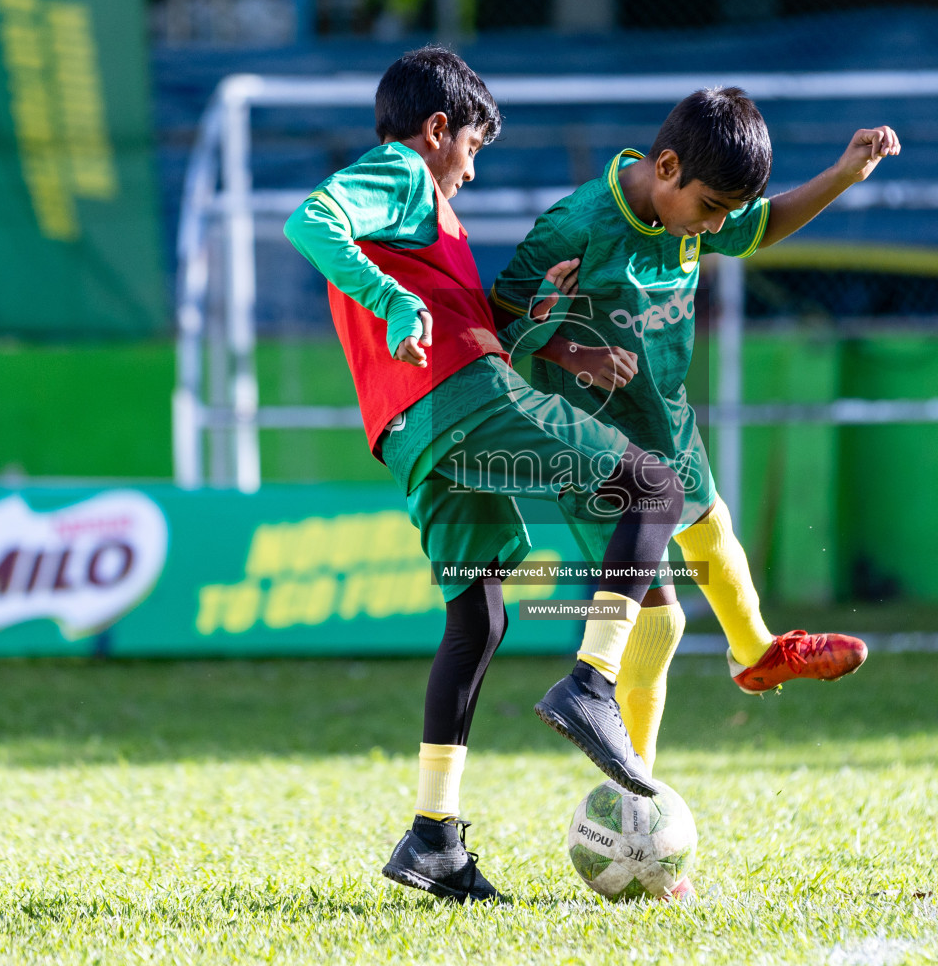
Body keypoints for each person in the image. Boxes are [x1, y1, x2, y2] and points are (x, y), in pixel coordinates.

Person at [284, 47, 686, 904]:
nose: (471, 169)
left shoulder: (432, 221)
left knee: (477, 618)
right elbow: (311, 220)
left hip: (410, 430)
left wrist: (543, 323)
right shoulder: (400, 172)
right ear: (437, 131)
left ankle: (434, 840)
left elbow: (465, 315)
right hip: (457, 399)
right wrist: (392, 304)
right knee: (654, 488)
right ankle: (592, 683)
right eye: (472, 148)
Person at [490, 87, 900, 766]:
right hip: (592, 443)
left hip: (666, 422)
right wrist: (571, 351)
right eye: (711, 211)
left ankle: (756, 654)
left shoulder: (697, 213)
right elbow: (499, 319)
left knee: (712, 530)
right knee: (661, 621)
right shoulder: (577, 225)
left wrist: (842, 175)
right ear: (670, 167)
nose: (714, 230)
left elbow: (760, 225)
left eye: (723, 217)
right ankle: (632, 790)